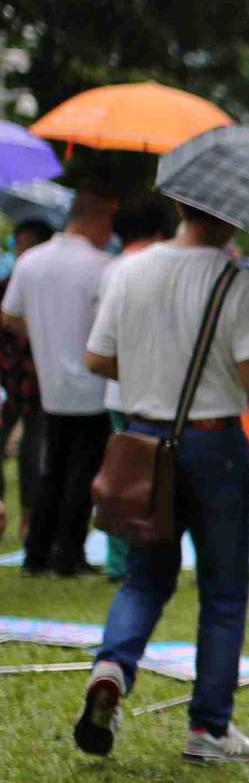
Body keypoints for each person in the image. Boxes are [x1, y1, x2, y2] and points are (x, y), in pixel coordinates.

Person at [72, 201, 249, 764]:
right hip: (214, 446)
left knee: (143, 578)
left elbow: (96, 358)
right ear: (231, 217)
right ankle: (208, 728)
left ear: (179, 205)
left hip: (143, 441)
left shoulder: (128, 269)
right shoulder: (237, 281)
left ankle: (111, 667)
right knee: (223, 592)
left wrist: (158, 369)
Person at [1, 186, 118, 576]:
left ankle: (37, 552)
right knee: (82, 472)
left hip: (51, 383)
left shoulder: (31, 261)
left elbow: (9, 314)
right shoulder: (102, 265)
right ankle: (69, 553)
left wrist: (43, 335)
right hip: (93, 384)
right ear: (97, 217)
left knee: (53, 470)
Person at [98, 200, 176, 582]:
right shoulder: (165, 269)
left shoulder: (112, 269)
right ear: (159, 233)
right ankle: (147, 556)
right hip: (159, 392)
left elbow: (100, 346)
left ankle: (119, 562)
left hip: (119, 389)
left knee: (119, 477)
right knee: (158, 478)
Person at [0, 215, 51, 545]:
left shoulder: (49, 289)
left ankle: (30, 521)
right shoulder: (6, 286)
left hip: (38, 386)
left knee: (34, 455)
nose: (22, 253)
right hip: (9, 382)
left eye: (28, 246)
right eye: (19, 246)